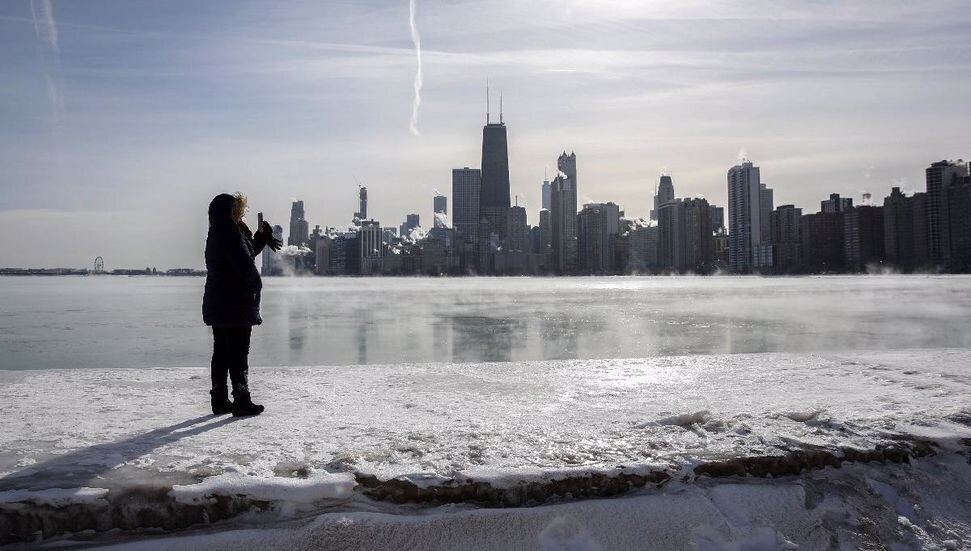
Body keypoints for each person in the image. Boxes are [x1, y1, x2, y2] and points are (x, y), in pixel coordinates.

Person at [202, 193, 282, 416]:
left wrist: (259, 239)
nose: (241, 212)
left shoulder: (218, 231)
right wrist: (256, 286)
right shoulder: (230, 233)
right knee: (238, 352)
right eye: (238, 209)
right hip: (234, 301)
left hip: (219, 301)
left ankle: (219, 399)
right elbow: (244, 264)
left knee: (221, 351)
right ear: (231, 210)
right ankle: (241, 399)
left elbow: (241, 255)